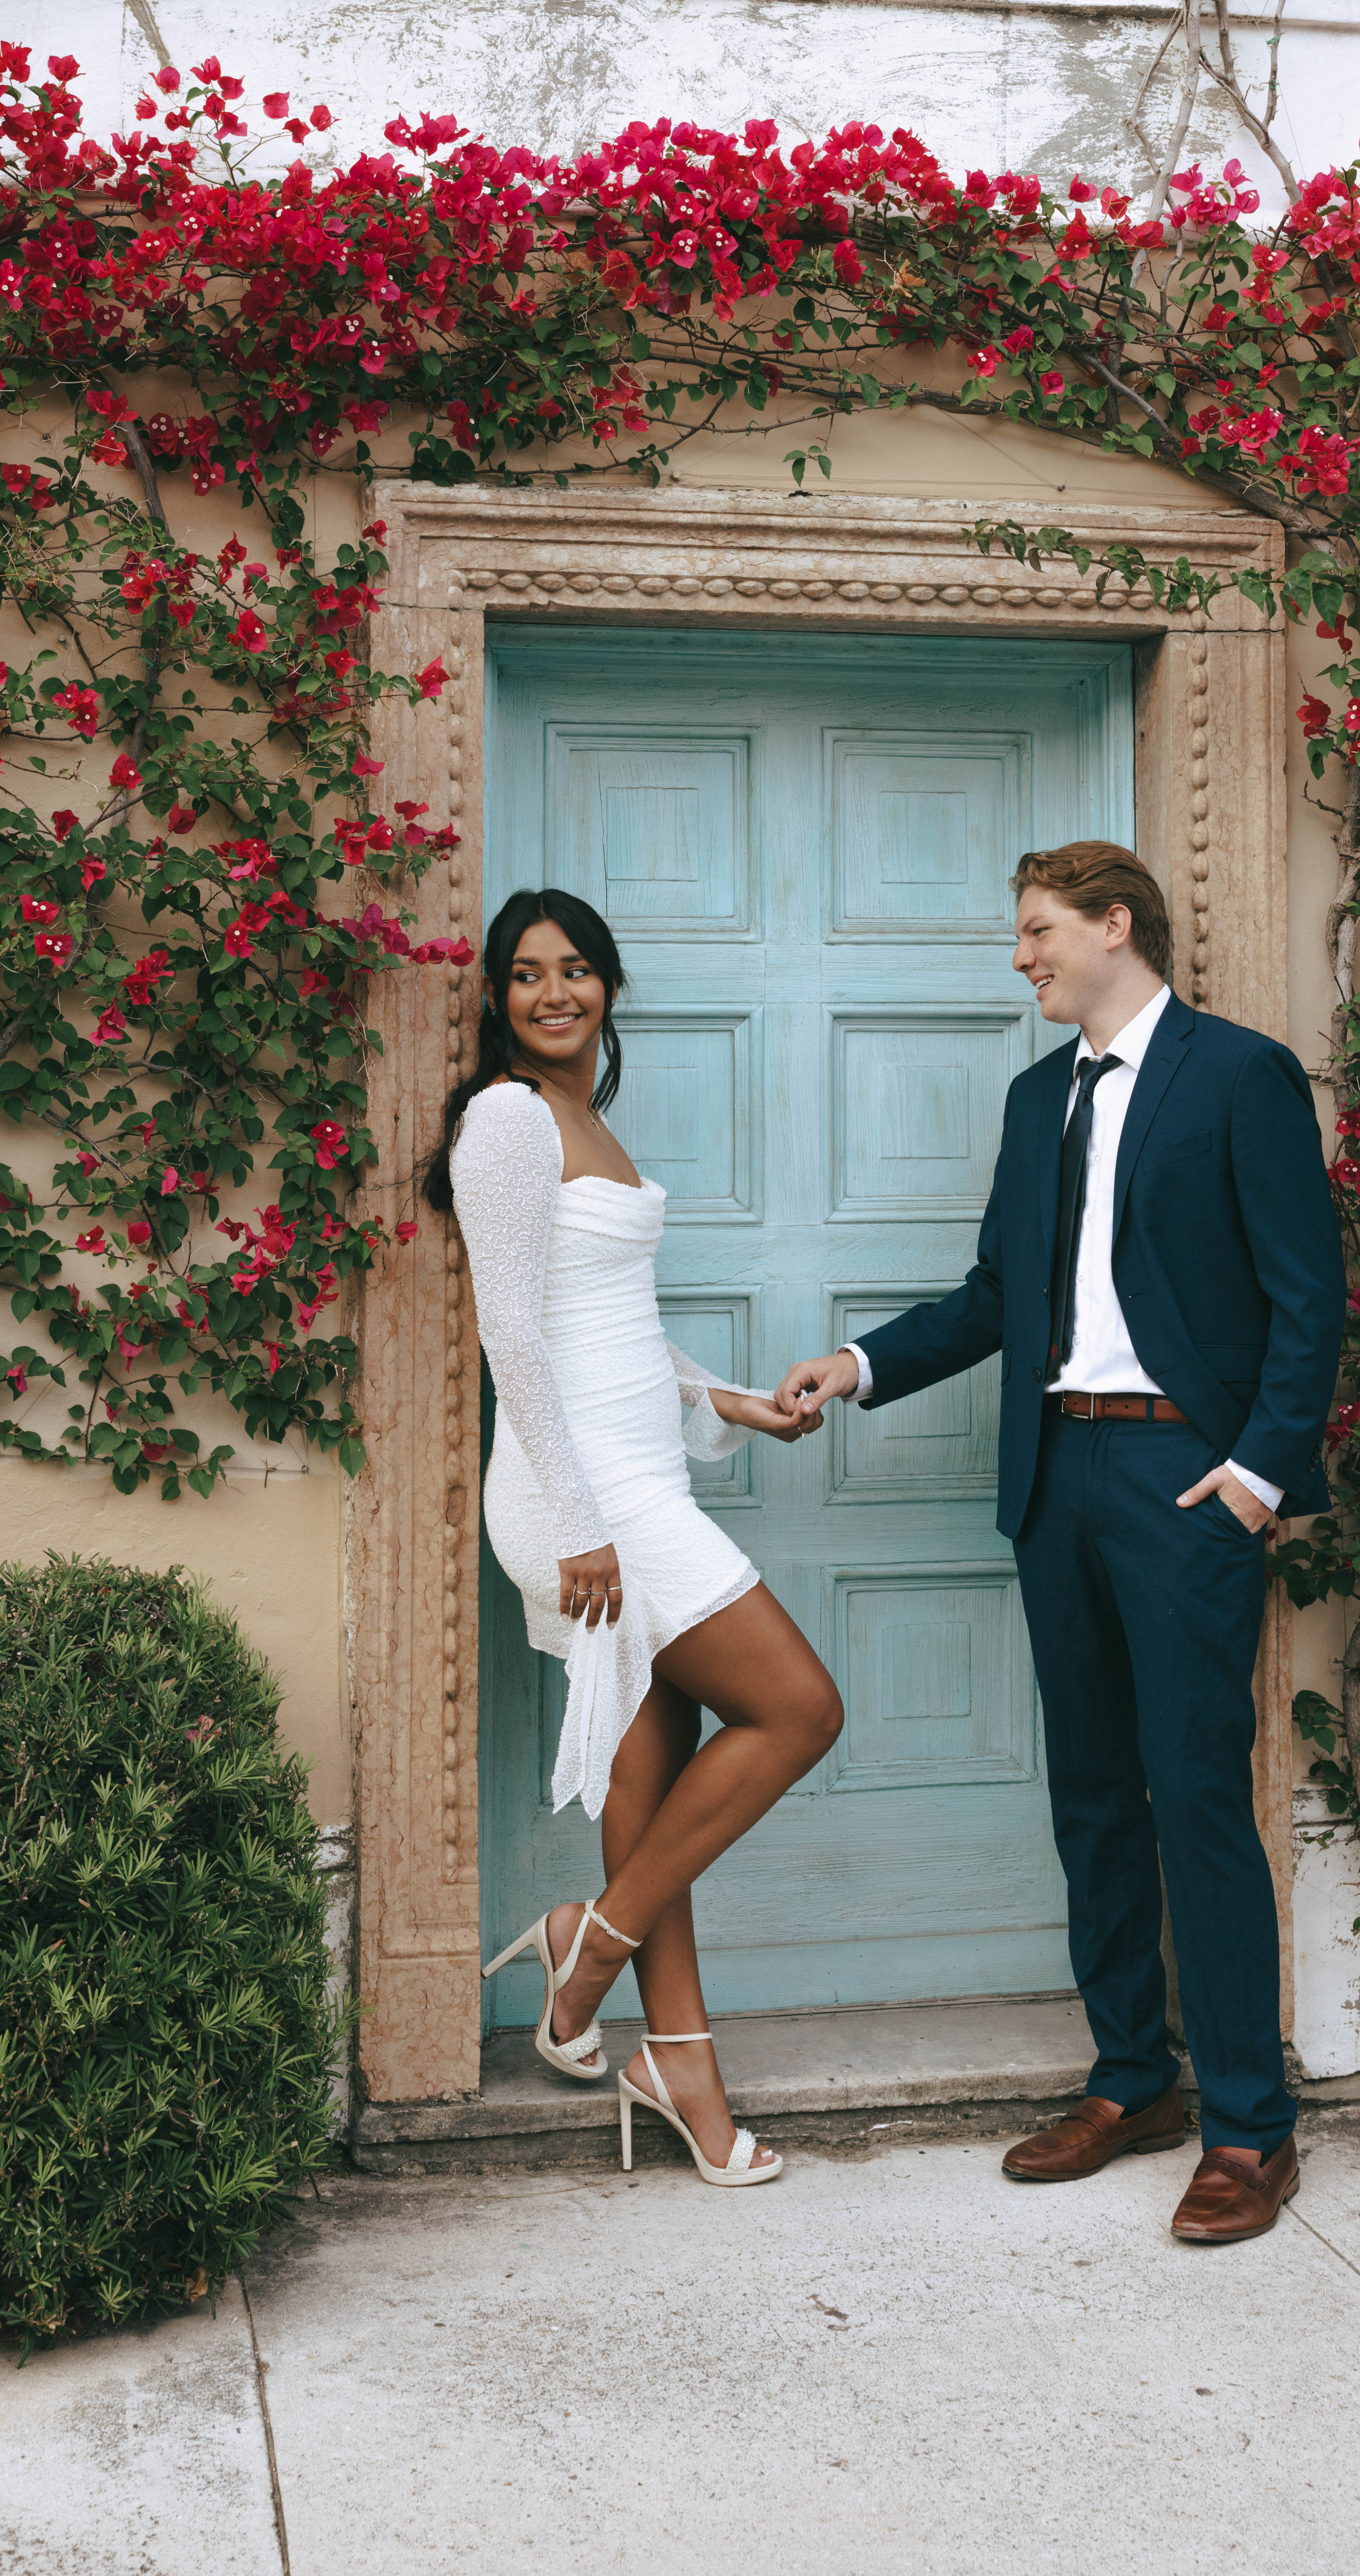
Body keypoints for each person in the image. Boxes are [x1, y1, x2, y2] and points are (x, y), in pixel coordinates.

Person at [774, 842, 1344, 2246]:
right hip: (1056, 1472)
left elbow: (1308, 1296)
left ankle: (1251, 2127)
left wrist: (1258, 1476)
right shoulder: (1041, 1100)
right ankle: (1133, 2078)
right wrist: (859, 1365)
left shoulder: (1240, 1075)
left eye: (1037, 931)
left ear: (1114, 925)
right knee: (1091, 1793)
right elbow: (995, 1294)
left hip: (1181, 1477)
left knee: (1193, 1793)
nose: (1021, 955)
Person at [424, 886, 841, 2188]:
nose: (554, 993)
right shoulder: (505, 1118)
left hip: (638, 1474)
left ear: (608, 985)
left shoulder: (588, 1117)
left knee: (652, 1787)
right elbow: (511, 1332)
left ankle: (679, 2063)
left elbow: (611, 1327)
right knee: (799, 1710)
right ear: (498, 1000)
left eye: (576, 970)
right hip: (584, 1500)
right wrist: (581, 1520)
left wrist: (732, 1403)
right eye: (527, 974)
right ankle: (591, 1947)